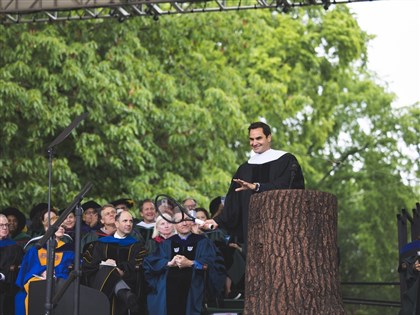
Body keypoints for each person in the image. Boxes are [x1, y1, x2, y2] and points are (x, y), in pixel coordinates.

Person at [204, 121, 305, 249]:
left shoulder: (286, 160)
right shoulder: (244, 169)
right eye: (251, 139)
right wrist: (216, 221)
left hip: (281, 229)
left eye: (258, 138)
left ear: (269, 137)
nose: (254, 143)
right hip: (251, 231)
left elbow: (288, 187)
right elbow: (233, 204)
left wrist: (257, 187)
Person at [143, 211, 225, 315]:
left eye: (187, 220)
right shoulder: (167, 243)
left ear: (192, 222)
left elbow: (213, 264)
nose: (184, 223)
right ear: (174, 224)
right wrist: (168, 263)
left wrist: (192, 263)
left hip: (194, 292)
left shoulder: (203, 242)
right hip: (169, 294)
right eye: (180, 221)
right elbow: (150, 263)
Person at [82, 211, 147, 315]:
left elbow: (138, 264)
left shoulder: (137, 246)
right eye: (125, 221)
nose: (129, 224)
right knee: (108, 269)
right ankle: (123, 292)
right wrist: (105, 265)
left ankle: (121, 291)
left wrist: (120, 269)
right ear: (116, 223)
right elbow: (89, 264)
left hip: (127, 279)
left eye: (131, 221)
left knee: (109, 269)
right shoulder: (100, 243)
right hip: (105, 284)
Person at [15, 216, 74, 315]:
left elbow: (73, 267)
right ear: (47, 228)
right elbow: (29, 267)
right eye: (58, 226)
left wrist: (55, 273)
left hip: (59, 279)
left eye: (63, 226)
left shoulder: (69, 249)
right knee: (34, 288)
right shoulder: (36, 248)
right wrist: (42, 271)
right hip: (37, 278)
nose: (61, 228)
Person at [0, 214, 24, 315]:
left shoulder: (15, 247)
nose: (5, 228)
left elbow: (20, 266)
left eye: (6, 225)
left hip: (7, 288)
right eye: (1, 225)